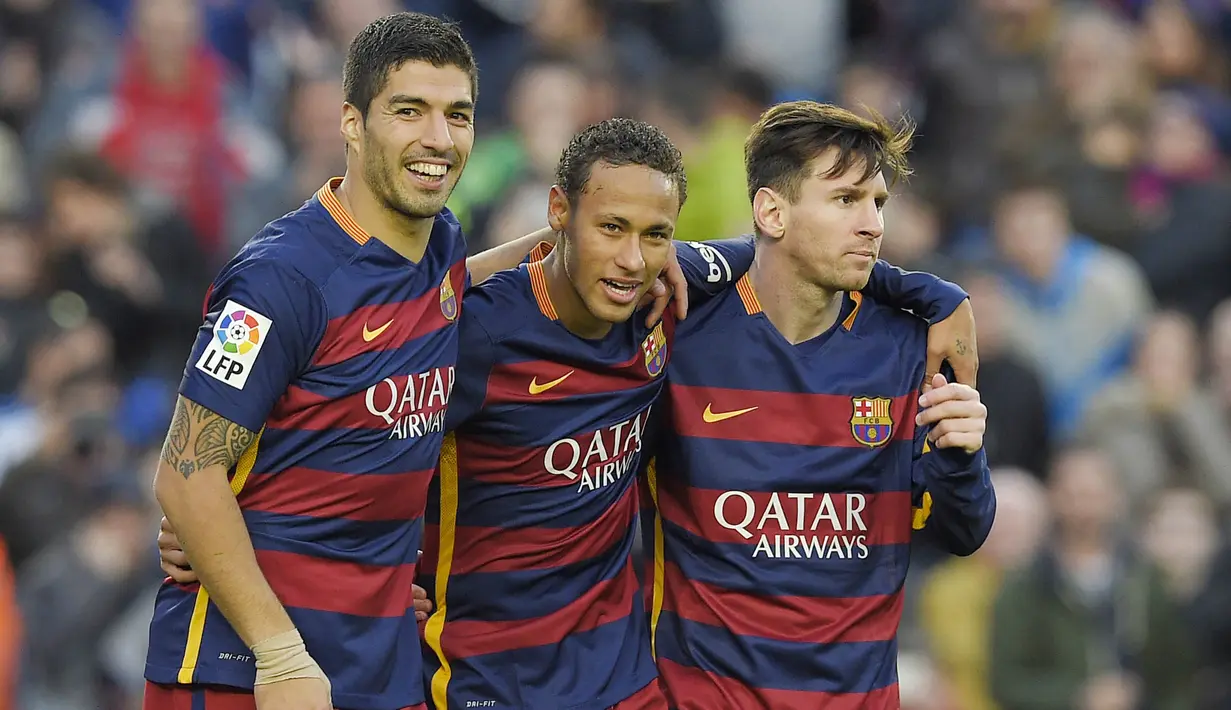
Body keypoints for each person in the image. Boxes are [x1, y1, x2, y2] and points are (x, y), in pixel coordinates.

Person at [157, 114, 980, 710]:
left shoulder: (680, 318)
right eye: (611, 228)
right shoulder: (496, 329)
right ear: (558, 215)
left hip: (623, 678)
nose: (632, 258)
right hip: (484, 678)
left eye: (652, 235)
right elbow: (356, 427)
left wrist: (930, 294)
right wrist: (243, 518)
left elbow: (956, 523)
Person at [141, 13, 684, 710]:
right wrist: (279, 654)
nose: (438, 137)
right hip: (247, 670)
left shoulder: (438, 252)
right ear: (351, 123)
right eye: (409, 111)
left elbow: (460, 282)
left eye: (457, 114)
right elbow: (186, 475)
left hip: (379, 667)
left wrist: (616, 247)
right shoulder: (280, 280)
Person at [642, 101, 997, 709]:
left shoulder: (910, 348)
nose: (873, 224)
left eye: (878, 203)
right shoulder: (682, 333)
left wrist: (962, 458)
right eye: (845, 200)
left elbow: (961, 532)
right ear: (772, 211)